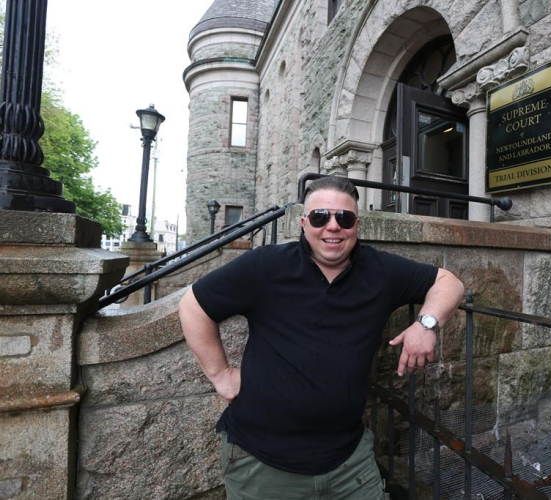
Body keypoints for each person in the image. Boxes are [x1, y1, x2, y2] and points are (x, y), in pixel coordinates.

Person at [178, 176, 464, 499]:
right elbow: (193, 306)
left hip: (348, 464)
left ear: (357, 224)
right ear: (303, 223)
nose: (333, 227)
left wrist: (426, 324)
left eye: (344, 218)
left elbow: (449, 282)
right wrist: (221, 375)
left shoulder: (380, 272)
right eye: (320, 217)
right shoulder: (266, 267)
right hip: (263, 466)